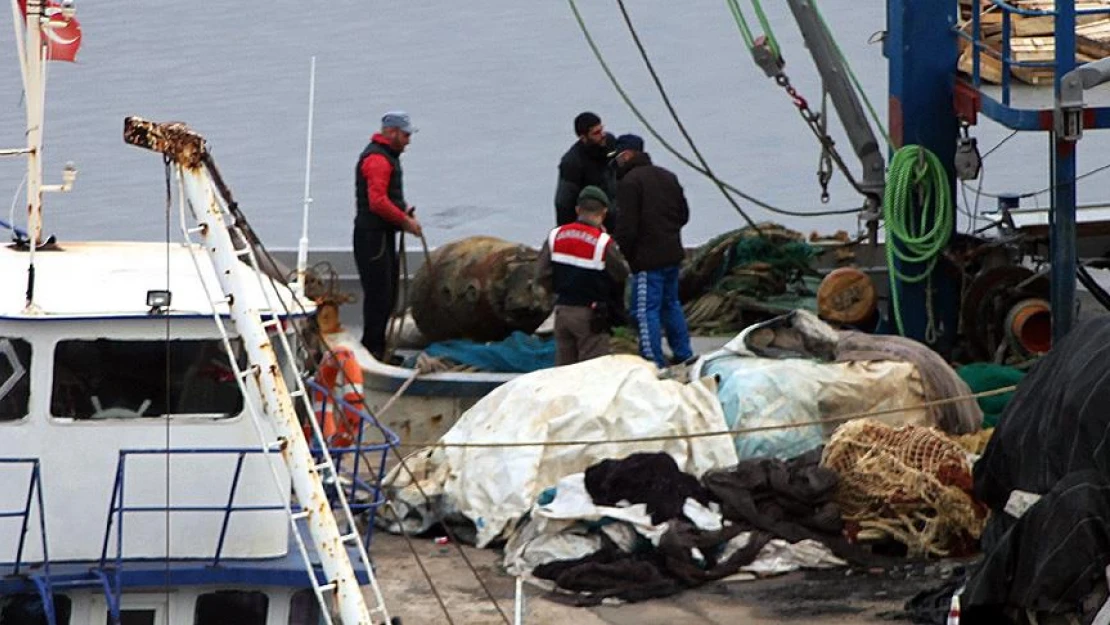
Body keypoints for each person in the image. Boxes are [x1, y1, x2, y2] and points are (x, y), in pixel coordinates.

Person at [611, 134, 695, 368]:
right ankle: (684, 353)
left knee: (645, 310)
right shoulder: (668, 177)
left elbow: (627, 228)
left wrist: (627, 254)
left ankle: (652, 359)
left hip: (646, 261)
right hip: (672, 254)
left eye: (618, 157)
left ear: (626, 155)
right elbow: (684, 215)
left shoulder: (630, 183)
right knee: (671, 305)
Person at [352, 111, 423, 361]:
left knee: (388, 294)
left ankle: (379, 347)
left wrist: (403, 210)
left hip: (382, 237)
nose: (408, 141)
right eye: (405, 135)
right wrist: (405, 222)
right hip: (373, 239)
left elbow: (387, 199)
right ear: (391, 132)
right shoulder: (377, 160)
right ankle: (373, 349)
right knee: (379, 297)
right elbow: (378, 202)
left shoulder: (388, 157)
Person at [536, 186, 630, 366]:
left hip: (562, 312)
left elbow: (541, 274)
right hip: (591, 316)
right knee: (591, 372)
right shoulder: (603, 242)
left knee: (564, 370)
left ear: (578, 210)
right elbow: (621, 273)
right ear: (603, 212)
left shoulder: (556, 235)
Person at [554, 112, 618, 231]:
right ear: (583, 137)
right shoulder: (572, 163)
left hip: (616, 216)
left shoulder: (610, 144)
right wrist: (567, 232)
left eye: (601, 129)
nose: (602, 135)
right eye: (596, 133)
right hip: (593, 222)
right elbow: (564, 203)